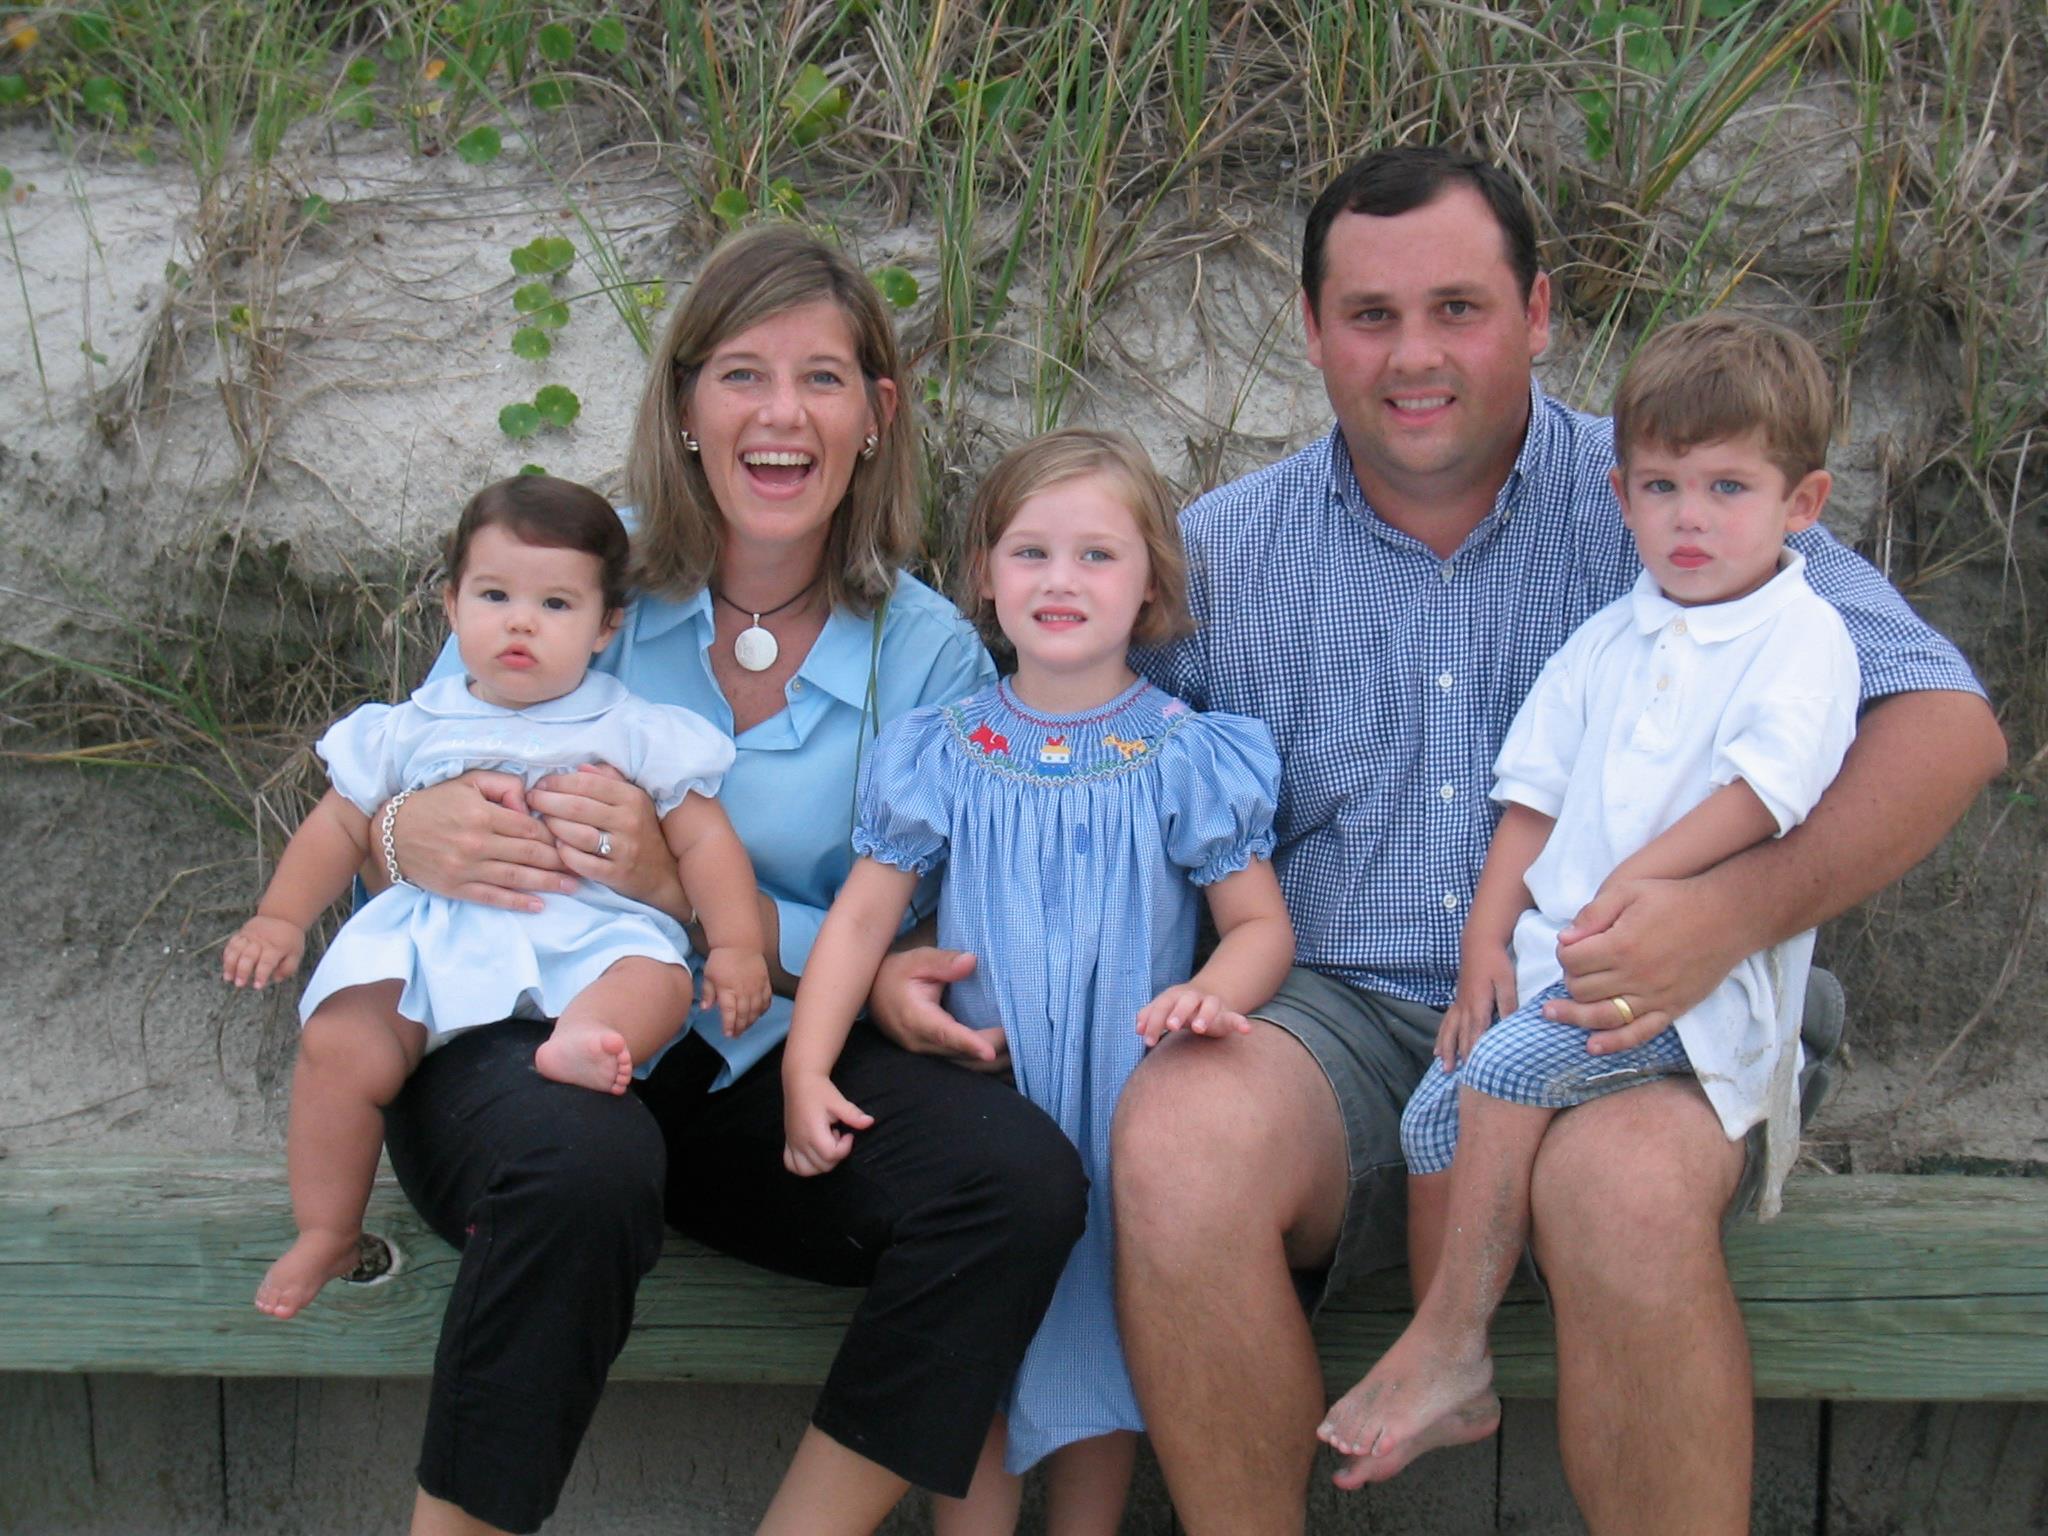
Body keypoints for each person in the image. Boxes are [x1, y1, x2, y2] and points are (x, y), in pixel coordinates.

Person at [862, 146, 2003, 1535]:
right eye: (1371, 315)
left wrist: (1733, 911)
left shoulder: (1678, 494)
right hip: (1330, 1013)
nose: (1415, 355)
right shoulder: (1222, 555)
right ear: (1310, 330)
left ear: (1537, 315)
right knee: (1175, 1136)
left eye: (1459, 309)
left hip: (1624, 1001)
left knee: (1627, 1197)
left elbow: (1947, 727)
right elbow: (1071, 771)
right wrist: (907, 954)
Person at [370, 226, 1089, 1536]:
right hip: (522, 1028)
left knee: (1014, 1182)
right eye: (742, 374)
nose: (780, 415)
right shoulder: (591, 567)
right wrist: (400, 831)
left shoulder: (923, 652)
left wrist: (700, 898)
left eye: (822, 378)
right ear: (686, 402)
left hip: (760, 1063)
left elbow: (897, 932)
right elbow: (401, 778)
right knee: (577, 1165)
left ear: (877, 414)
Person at [1317, 313, 1861, 1477]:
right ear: (1618, 496)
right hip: (1558, 974)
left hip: (1680, 998)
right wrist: (1482, 942)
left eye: (1726, 487)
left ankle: (1453, 1342)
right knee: (1433, 1114)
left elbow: (1767, 792)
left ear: (1798, 503)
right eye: (1661, 487)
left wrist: (1636, 883)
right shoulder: (1611, 637)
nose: (1690, 518)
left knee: (1502, 1074)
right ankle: (1445, 1352)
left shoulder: (1799, 638)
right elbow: (1531, 798)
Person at [779, 429, 1296, 1535]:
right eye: (1029, 553)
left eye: (1097, 556)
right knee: (980, 1352)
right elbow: (863, 919)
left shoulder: (1183, 755)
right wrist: (806, 1064)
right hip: (987, 1108)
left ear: (1151, 581)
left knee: (1102, 1352)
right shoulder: (944, 749)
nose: (1060, 580)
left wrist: (1215, 994)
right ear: (983, 575)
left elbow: (1258, 924)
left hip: (1123, 1111)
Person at [223, 475, 769, 1320]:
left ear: (605, 627)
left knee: (656, 980)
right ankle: (327, 1227)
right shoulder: (408, 726)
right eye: (494, 595)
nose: (520, 621)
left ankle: (582, 1041)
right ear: (450, 605)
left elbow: (704, 840)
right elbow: (338, 828)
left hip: (588, 934)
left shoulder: (631, 727)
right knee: (338, 1045)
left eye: (555, 603)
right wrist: (281, 916)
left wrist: (732, 944)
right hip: (436, 941)